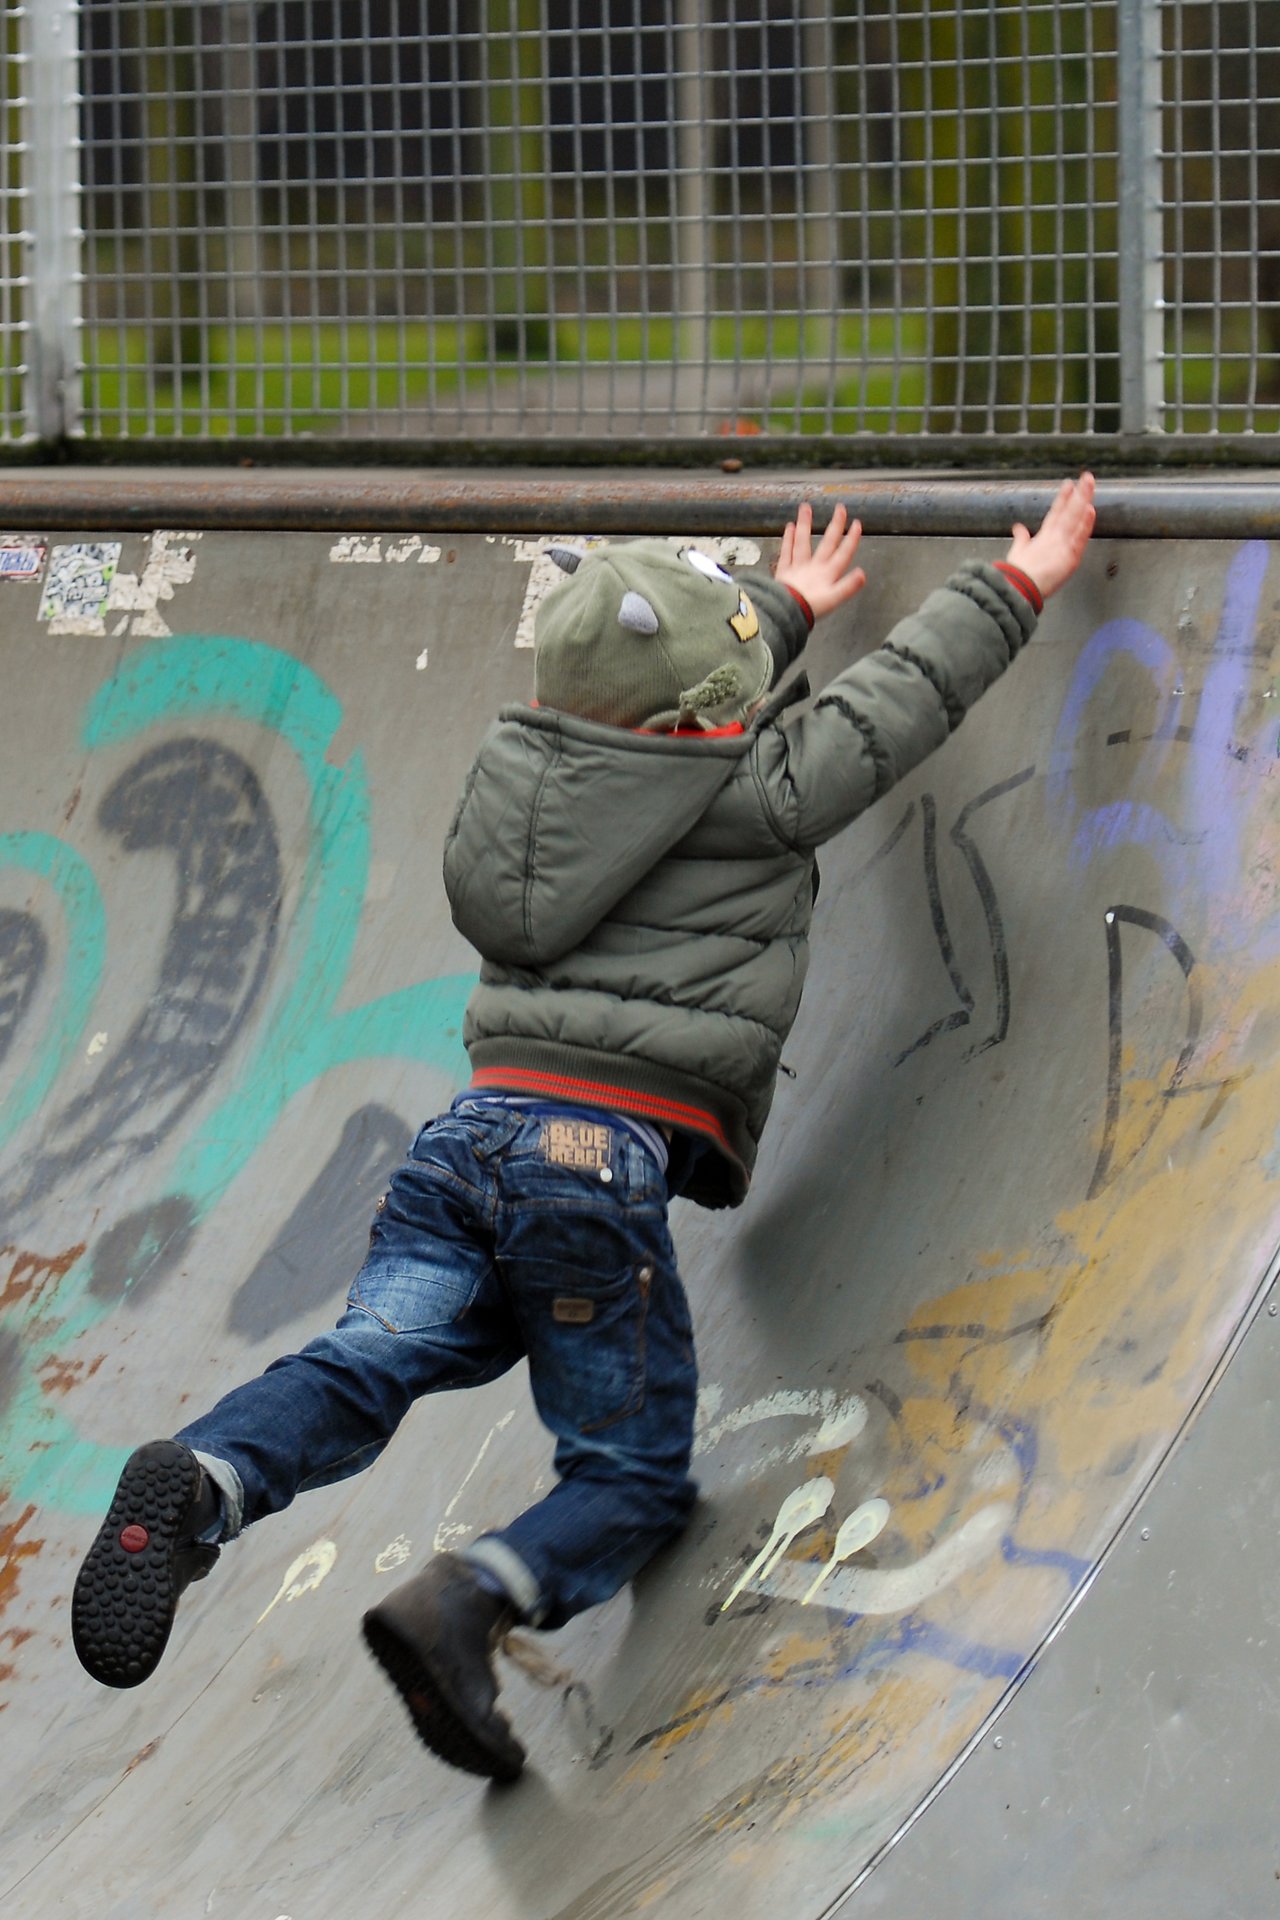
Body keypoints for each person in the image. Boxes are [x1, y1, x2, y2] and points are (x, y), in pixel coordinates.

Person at [71, 477, 1097, 1782]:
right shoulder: (763, 789)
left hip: (468, 1146)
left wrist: (777, 610)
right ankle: (475, 1600)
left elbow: (651, 726)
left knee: (370, 1359)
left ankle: (205, 1476)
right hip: (592, 1171)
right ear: (712, 715)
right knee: (630, 1477)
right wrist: (1019, 581)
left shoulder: (529, 787)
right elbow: (887, 709)